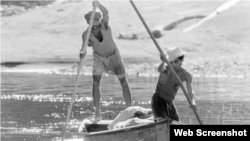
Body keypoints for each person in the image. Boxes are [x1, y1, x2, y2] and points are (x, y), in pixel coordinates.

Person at [79, 1, 132, 121]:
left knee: (123, 81)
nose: (95, 23)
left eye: (97, 20)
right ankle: (98, 113)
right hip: (99, 58)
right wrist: (82, 53)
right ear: (88, 22)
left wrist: (98, 4)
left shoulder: (105, 25)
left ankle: (130, 110)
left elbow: (106, 12)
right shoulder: (86, 34)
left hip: (114, 56)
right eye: (92, 21)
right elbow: (83, 48)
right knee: (95, 83)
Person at [151, 47, 197, 122]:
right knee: (163, 123)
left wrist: (192, 102)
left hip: (169, 103)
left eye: (176, 61)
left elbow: (190, 92)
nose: (173, 65)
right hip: (158, 101)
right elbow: (160, 69)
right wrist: (163, 61)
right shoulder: (166, 69)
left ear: (181, 60)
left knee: (177, 124)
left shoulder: (186, 75)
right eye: (171, 62)